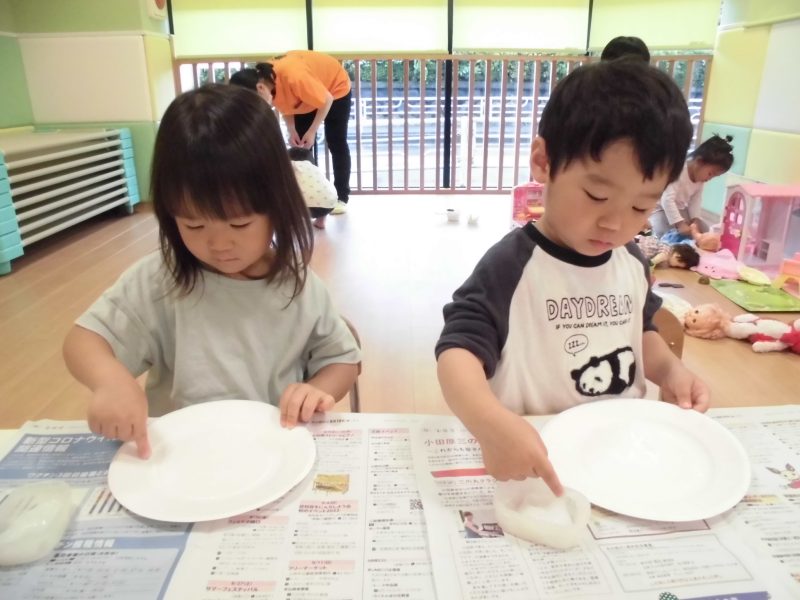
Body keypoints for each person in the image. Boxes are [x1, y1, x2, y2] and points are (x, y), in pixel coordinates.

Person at [435, 60, 710, 496]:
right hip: (536, 463)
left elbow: (642, 331)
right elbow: (457, 353)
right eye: (597, 195)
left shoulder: (630, 261)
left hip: (621, 455)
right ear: (543, 162)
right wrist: (490, 423)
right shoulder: (511, 266)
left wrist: (671, 370)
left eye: (640, 207)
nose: (615, 224)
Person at [62, 85, 360, 459]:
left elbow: (342, 359)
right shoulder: (161, 279)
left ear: (277, 204)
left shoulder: (298, 286)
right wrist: (111, 382)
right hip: (179, 457)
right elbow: (83, 340)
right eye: (194, 225)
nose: (219, 245)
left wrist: (318, 390)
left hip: (271, 453)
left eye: (239, 224)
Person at [230, 51, 352, 215]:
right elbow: (284, 103)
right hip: (305, 96)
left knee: (336, 141)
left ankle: (341, 197)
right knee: (300, 148)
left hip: (335, 89)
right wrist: (291, 130)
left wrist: (312, 130)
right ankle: (308, 198)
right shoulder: (267, 81)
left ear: (260, 88)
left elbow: (326, 99)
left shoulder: (294, 76)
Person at [649, 135, 734, 239]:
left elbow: (695, 200)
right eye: (710, 174)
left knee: (705, 230)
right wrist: (680, 224)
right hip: (660, 209)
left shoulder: (700, 178)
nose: (710, 179)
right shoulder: (680, 170)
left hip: (680, 209)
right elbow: (667, 200)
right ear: (699, 162)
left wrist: (695, 219)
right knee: (663, 231)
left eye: (714, 176)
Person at [289, 147, 337, 230]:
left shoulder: (290, 165)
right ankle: (320, 221)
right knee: (321, 193)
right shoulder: (314, 167)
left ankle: (292, 222)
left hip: (302, 207)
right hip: (329, 204)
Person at [634, 235, 700, 269]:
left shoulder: (667, 251)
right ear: (678, 256)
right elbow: (661, 257)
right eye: (677, 266)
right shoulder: (667, 250)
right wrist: (650, 264)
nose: (674, 267)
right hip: (636, 248)